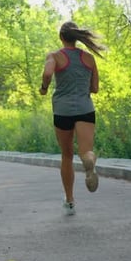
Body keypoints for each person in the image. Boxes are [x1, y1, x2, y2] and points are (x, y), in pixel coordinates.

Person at [39, 21, 105, 215]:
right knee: (86, 151)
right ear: (77, 38)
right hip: (85, 108)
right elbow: (95, 89)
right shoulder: (89, 59)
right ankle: (89, 161)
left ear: (61, 37)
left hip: (62, 110)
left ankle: (69, 201)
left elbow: (47, 73)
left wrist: (44, 88)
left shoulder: (55, 56)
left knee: (67, 155)